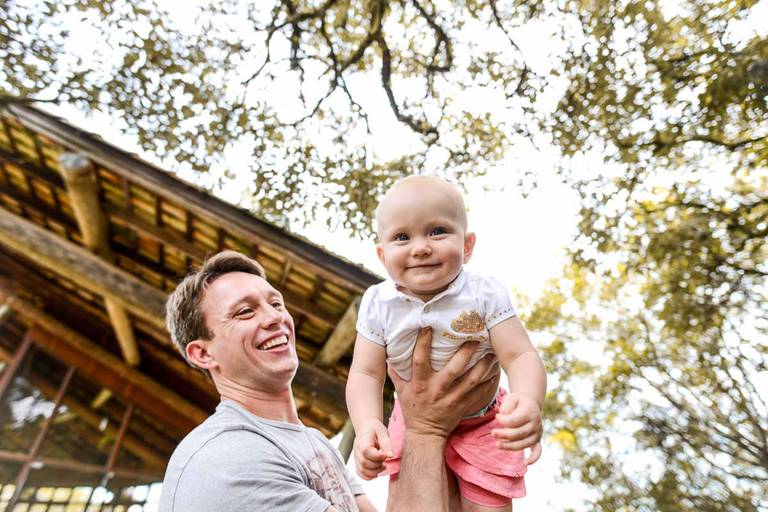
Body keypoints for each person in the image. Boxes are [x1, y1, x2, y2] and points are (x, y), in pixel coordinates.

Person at [159, 250, 514, 512]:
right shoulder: (227, 459)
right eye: (245, 312)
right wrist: (425, 429)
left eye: (276, 304)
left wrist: (470, 426)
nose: (274, 318)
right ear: (202, 354)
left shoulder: (315, 445)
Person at [346, 176, 547, 511]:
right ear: (382, 255)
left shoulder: (484, 294)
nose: (421, 246)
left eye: (437, 231)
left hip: (484, 423)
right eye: (402, 237)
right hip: (411, 422)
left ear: (467, 246)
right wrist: (367, 423)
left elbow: (520, 354)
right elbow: (366, 374)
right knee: (413, 498)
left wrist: (528, 400)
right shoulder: (378, 303)